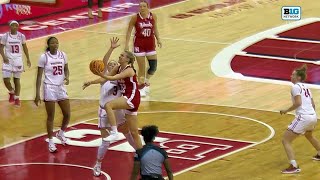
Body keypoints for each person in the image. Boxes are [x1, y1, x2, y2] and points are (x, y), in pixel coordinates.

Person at [82, 37, 137, 176]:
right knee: (105, 142)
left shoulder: (121, 76)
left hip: (117, 110)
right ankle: (98, 164)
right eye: (110, 65)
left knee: (128, 134)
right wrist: (111, 48)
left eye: (114, 64)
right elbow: (104, 63)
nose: (112, 65)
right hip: (104, 112)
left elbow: (131, 83)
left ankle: (139, 152)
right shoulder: (104, 78)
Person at [93, 38, 142, 150]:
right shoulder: (118, 67)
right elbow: (105, 76)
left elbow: (114, 77)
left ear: (128, 60)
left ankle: (114, 132)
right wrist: (91, 82)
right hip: (129, 98)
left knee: (108, 105)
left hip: (131, 97)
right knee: (134, 132)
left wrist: (102, 75)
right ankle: (141, 154)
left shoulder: (129, 70)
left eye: (122, 56)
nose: (119, 57)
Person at [280, 64, 320, 174]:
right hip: (312, 115)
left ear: (298, 77)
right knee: (309, 135)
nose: (291, 76)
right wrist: (312, 116)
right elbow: (312, 104)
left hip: (304, 117)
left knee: (286, 140)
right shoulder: (306, 87)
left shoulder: (295, 87)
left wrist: (286, 110)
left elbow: (298, 103)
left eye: (293, 75)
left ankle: (294, 166)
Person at [34, 36, 70, 153]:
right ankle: (50, 141)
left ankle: (61, 133)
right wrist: (37, 94)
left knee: (67, 114)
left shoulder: (63, 55)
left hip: (60, 87)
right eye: (53, 43)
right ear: (49, 45)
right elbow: (39, 77)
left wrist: (67, 77)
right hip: (49, 87)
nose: (55, 44)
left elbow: (66, 69)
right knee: (51, 117)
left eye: (57, 43)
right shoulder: (43, 57)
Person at [125, 0, 162, 96]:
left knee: (153, 67)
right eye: (140, 6)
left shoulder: (153, 16)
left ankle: (146, 81)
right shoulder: (135, 18)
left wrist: (158, 39)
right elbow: (129, 31)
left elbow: (155, 29)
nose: (141, 8)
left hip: (150, 43)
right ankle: (141, 88)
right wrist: (126, 44)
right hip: (139, 44)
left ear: (147, 7)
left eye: (143, 6)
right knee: (141, 68)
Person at [0, 20, 31, 107]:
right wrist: (4, 57)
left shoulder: (21, 36)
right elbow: (1, 47)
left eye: (16, 26)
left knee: (16, 80)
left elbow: (25, 47)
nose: (15, 27)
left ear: (18, 27)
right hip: (8, 60)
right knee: (6, 80)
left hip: (18, 60)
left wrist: (28, 58)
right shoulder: (5, 36)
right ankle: (11, 92)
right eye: (13, 25)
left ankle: (17, 98)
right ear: (10, 27)